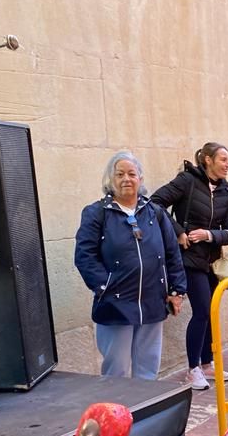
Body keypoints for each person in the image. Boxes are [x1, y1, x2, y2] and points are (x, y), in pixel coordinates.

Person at [74, 152, 186, 380]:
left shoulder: (155, 212)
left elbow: (172, 252)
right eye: (120, 174)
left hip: (152, 301)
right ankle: (117, 414)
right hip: (116, 304)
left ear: (140, 179)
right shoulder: (96, 213)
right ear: (110, 179)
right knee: (117, 370)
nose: (126, 179)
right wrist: (104, 286)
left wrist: (176, 290)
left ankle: (145, 413)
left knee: (148, 369)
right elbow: (84, 256)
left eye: (132, 174)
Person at [151, 142, 228, 391]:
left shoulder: (226, 193)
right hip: (188, 259)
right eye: (223, 159)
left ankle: (207, 363)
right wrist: (178, 231)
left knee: (210, 312)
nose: (227, 164)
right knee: (201, 311)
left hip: (212, 261)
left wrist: (209, 235)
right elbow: (155, 203)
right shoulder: (186, 181)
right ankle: (193, 369)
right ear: (208, 160)